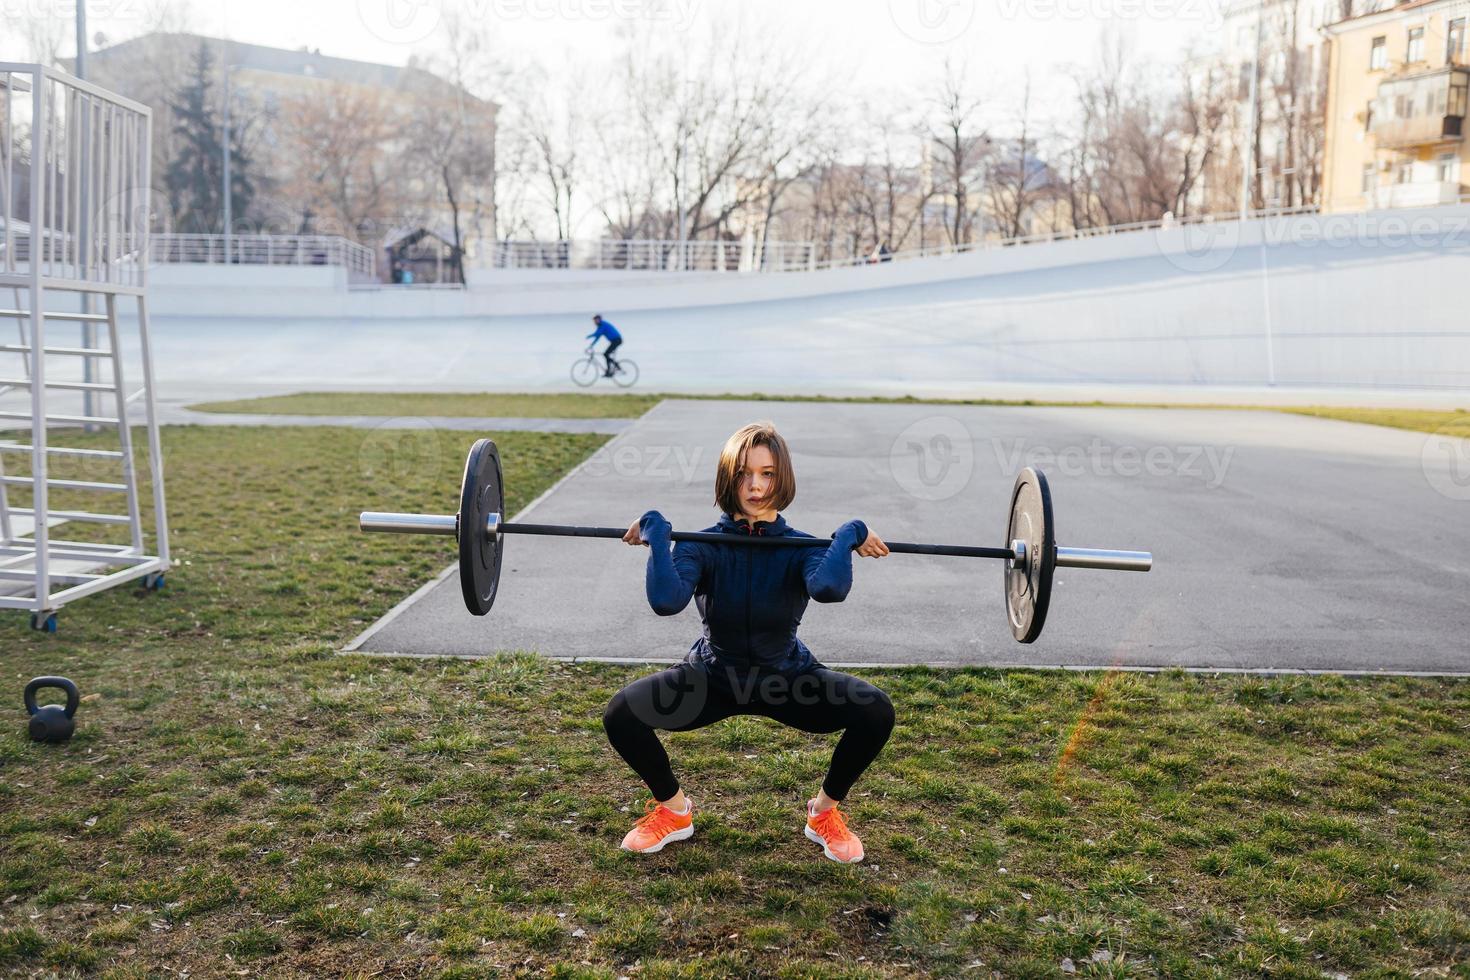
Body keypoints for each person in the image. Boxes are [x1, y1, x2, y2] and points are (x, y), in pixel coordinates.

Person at [603, 422, 895, 863]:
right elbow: (666, 601)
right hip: (714, 678)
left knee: (875, 712)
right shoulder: (702, 545)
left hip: (787, 680)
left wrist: (849, 533)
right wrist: (658, 533)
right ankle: (674, 811)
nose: (755, 486)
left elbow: (830, 589)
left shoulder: (802, 548)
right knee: (622, 714)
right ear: (728, 477)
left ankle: (823, 813)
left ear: (783, 478)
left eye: (768, 474)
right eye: (743, 474)